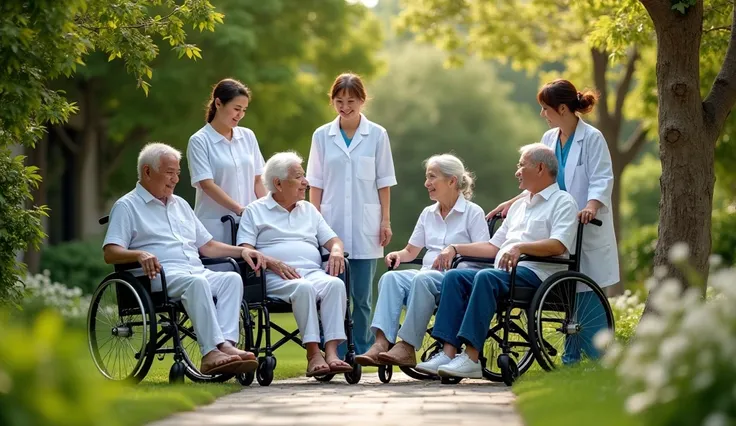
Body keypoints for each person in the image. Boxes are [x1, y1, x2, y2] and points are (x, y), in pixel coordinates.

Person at [415, 144, 578, 378]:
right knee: (455, 275)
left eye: (522, 165)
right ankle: (448, 352)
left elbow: (558, 244)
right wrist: (454, 247)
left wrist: (520, 248)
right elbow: (494, 247)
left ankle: (471, 357)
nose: (517, 171)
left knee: (485, 276)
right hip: (505, 272)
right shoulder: (519, 206)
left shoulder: (563, 202)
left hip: (537, 274)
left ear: (540, 168)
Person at [103, 143, 265, 375]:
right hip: (157, 276)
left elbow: (207, 246)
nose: (176, 179)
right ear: (147, 171)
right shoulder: (127, 206)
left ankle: (227, 346)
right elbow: (110, 252)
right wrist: (140, 254)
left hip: (193, 270)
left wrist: (242, 251)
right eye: (170, 172)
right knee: (197, 284)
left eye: (178, 173)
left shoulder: (181, 205)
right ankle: (210, 354)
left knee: (231, 278)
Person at [487, 79, 618, 363]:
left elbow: (602, 178)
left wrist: (591, 206)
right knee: (565, 291)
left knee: (582, 289)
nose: (542, 114)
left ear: (562, 108)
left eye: (545, 109)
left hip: (583, 223)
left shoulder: (592, 138)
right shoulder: (548, 140)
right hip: (554, 219)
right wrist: (513, 201)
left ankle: (597, 356)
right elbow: (540, 181)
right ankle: (571, 357)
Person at [354, 154, 490, 367]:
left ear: (452, 181)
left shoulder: (472, 213)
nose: (426, 183)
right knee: (391, 278)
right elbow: (411, 250)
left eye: (432, 177)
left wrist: (454, 250)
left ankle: (407, 346)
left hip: (454, 279)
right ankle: (381, 343)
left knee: (422, 280)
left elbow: (486, 249)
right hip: (427, 274)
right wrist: (398, 255)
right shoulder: (428, 213)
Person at [237, 152, 353, 377]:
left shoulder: (309, 210)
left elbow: (333, 240)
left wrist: (337, 251)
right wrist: (270, 261)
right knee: (304, 288)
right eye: (299, 177)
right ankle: (313, 354)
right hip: (273, 277)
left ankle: (331, 352)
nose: (306, 182)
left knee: (335, 285)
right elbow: (246, 250)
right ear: (278, 183)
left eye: (304, 176)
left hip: (312, 272)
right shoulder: (255, 210)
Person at [306, 73, 397, 355]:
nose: (345, 107)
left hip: (366, 226)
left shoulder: (377, 135)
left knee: (362, 297)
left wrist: (385, 221)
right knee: (333, 294)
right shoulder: (322, 135)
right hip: (331, 226)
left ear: (362, 100)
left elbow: (384, 182)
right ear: (332, 101)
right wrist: (314, 224)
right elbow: (316, 184)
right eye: (339, 101)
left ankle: (361, 350)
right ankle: (335, 352)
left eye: (351, 101)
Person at [187, 78, 267, 244]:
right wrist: (239, 210)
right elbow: (207, 184)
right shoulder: (200, 141)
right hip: (215, 227)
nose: (240, 115)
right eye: (236, 108)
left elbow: (258, 179)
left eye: (244, 110)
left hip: (249, 224)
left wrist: (266, 209)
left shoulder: (248, 136)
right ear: (218, 103)